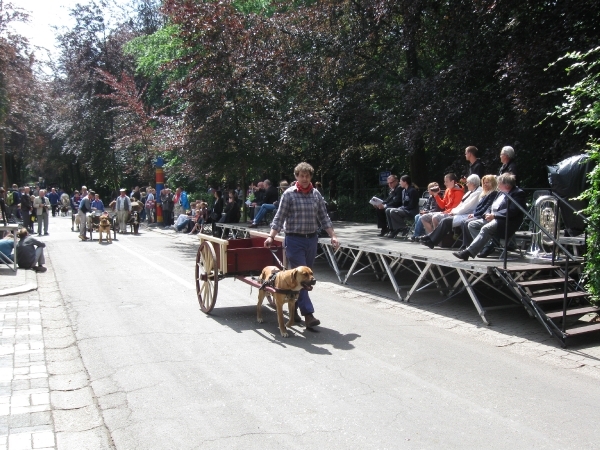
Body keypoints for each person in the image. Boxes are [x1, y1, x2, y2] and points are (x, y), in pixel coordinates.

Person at [264, 162, 339, 328]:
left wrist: (333, 236)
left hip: (311, 240)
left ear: (310, 177)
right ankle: (308, 315)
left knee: (304, 277)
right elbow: (279, 217)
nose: (304, 179)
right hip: (294, 240)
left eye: (307, 176)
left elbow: (324, 217)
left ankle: (294, 310)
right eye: (301, 175)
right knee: (304, 278)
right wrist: (271, 236)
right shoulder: (289, 194)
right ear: (296, 177)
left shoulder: (316, 195)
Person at [453, 173, 526, 260]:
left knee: (486, 228)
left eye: (499, 183)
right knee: (472, 224)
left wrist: (494, 215)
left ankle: (468, 253)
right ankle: (486, 246)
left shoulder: (518, 193)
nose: (497, 185)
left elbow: (512, 210)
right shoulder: (500, 193)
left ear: (506, 184)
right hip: (493, 219)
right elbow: (491, 206)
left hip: (506, 222)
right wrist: (486, 214)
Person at [420, 174, 482, 248]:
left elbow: (466, 207)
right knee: (431, 218)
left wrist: (452, 212)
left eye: (468, 182)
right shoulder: (469, 192)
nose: (466, 184)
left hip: (466, 214)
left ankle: (431, 239)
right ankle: (431, 239)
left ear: (473, 183)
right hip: (457, 212)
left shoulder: (477, 192)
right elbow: (455, 205)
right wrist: (436, 196)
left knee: (444, 220)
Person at [459, 175, 499, 250]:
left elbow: (486, 207)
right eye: (484, 183)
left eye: (487, 182)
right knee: (464, 221)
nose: (485, 184)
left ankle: (472, 245)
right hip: (479, 214)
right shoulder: (484, 193)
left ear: (493, 183)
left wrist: (475, 214)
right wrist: (474, 213)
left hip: (485, 216)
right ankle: (467, 244)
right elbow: (479, 207)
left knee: (467, 222)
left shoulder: (493, 193)